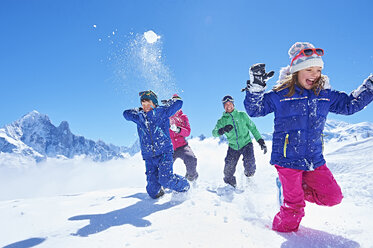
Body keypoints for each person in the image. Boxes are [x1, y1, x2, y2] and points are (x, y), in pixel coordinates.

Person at [243, 42, 373, 233]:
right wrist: (256, 87)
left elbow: (350, 105)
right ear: (296, 70)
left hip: (314, 159)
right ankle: (276, 235)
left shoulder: (325, 95)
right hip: (287, 160)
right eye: (309, 69)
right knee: (293, 211)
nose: (315, 74)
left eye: (318, 69)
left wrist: (370, 86)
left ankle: (292, 190)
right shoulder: (281, 95)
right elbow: (255, 109)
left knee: (333, 197)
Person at [123, 90, 190, 199]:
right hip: (149, 157)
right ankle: (160, 192)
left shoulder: (162, 112)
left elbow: (179, 103)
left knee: (166, 179)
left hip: (164, 152)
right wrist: (137, 110)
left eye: (148, 104)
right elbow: (125, 114)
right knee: (152, 191)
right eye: (143, 105)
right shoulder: (140, 117)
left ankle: (184, 185)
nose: (146, 107)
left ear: (154, 103)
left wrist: (171, 102)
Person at [212, 95, 267, 188]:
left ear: (233, 104)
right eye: (226, 104)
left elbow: (253, 128)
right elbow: (214, 133)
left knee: (250, 165)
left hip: (246, 144)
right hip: (233, 147)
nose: (228, 106)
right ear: (223, 107)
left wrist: (260, 141)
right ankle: (231, 188)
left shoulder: (242, 115)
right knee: (228, 171)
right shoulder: (222, 121)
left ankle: (249, 181)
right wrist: (222, 130)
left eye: (230, 104)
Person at [167, 94, 199, 181]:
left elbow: (187, 132)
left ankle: (191, 178)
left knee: (191, 159)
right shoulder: (166, 117)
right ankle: (164, 184)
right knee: (164, 165)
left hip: (182, 146)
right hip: (169, 148)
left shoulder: (183, 117)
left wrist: (178, 129)